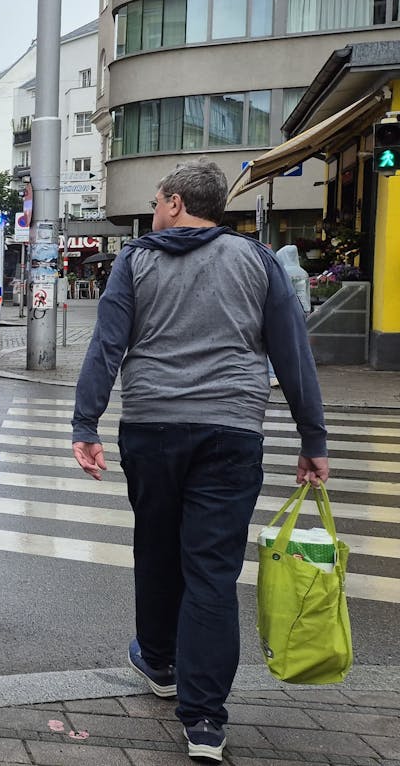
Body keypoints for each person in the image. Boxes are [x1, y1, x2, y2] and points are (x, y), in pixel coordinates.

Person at [71, 161, 327, 764]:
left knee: (157, 552)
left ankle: (159, 662)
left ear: (178, 204)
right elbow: (293, 353)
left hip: (153, 426)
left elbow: (108, 343)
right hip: (231, 431)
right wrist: (312, 440)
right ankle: (205, 721)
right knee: (212, 572)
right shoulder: (258, 262)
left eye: (159, 200)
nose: (155, 210)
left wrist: (87, 423)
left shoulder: (136, 261)